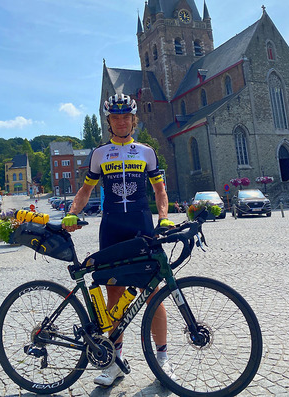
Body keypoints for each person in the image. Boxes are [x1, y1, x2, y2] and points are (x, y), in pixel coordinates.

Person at [62, 93, 174, 387]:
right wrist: (73, 212)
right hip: (111, 228)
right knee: (115, 297)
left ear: (133, 121)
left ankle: (163, 361)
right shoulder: (99, 154)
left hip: (142, 227)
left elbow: (160, 190)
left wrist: (163, 216)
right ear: (109, 121)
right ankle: (114, 363)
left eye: (127, 117)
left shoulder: (146, 152)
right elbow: (86, 189)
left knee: (154, 294)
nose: (122, 122)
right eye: (116, 117)